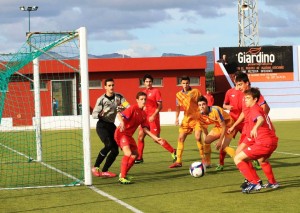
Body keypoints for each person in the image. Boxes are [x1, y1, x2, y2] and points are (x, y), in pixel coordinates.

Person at [228, 72, 270, 187]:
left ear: (247, 83)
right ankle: (254, 179)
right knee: (241, 156)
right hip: (246, 130)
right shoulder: (244, 96)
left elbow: (266, 108)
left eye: (240, 84)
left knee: (240, 156)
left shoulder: (254, 95)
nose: (238, 87)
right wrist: (234, 126)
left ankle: (255, 181)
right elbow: (243, 113)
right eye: (237, 85)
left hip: (252, 132)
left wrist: (259, 126)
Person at [234, 88, 279, 193]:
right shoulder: (259, 109)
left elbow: (260, 119)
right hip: (273, 142)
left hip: (264, 143)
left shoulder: (254, 109)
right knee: (262, 160)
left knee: (238, 158)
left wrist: (255, 128)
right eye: (245, 98)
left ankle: (254, 182)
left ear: (255, 99)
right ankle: (273, 182)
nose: (245, 100)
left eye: (248, 98)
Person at [115, 91, 165, 184]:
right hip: (121, 133)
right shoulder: (132, 108)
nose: (143, 101)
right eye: (141, 99)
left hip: (128, 136)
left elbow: (145, 129)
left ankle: (123, 173)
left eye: (145, 99)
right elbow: (119, 114)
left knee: (135, 155)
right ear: (137, 100)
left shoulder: (143, 114)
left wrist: (155, 137)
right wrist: (122, 122)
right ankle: (122, 177)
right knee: (128, 153)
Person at [169, 76, 211, 168]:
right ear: (181, 84)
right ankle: (178, 161)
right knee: (180, 138)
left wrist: (204, 112)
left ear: (189, 83)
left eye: (187, 83)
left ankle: (203, 158)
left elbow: (202, 102)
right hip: (186, 119)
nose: (185, 85)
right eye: (183, 83)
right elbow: (177, 107)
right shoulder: (178, 95)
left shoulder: (196, 92)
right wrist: (176, 118)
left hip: (197, 118)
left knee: (197, 137)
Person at [91, 78, 129, 178]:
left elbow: (127, 106)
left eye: (112, 85)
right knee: (108, 145)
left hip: (111, 125)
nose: (111, 87)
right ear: (105, 87)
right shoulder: (101, 99)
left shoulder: (119, 97)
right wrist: (102, 113)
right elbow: (94, 114)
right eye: (109, 85)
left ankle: (105, 170)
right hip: (102, 125)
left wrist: (123, 108)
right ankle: (95, 166)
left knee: (115, 151)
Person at [135, 74, 176, 164]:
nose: (148, 83)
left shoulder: (156, 91)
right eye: (146, 81)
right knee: (140, 137)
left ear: (152, 82)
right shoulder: (143, 92)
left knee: (155, 139)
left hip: (154, 118)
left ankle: (173, 151)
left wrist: (153, 115)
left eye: (150, 81)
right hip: (145, 119)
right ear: (144, 82)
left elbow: (160, 105)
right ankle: (139, 157)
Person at [198, 96, 236, 171]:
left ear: (207, 104)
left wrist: (219, 141)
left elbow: (224, 126)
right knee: (206, 141)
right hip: (218, 126)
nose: (202, 106)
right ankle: (207, 163)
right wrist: (206, 140)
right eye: (200, 105)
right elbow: (204, 129)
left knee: (223, 147)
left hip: (229, 126)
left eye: (203, 104)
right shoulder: (200, 115)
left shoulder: (215, 110)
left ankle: (240, 158)